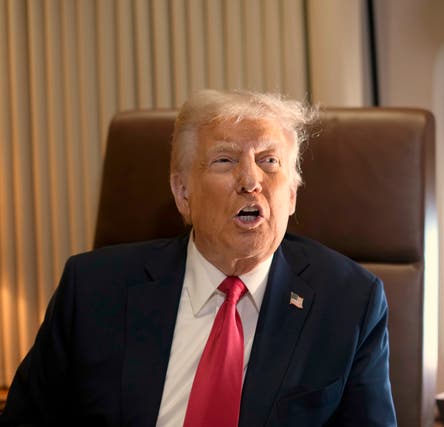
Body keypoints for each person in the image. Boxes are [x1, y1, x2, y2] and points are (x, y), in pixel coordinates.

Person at [0, 89, 397, 426]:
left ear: (291, 194)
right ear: (182, 192)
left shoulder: (348, 303)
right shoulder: (91, 291)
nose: (251, 181)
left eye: (269, 161)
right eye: (225, 160)